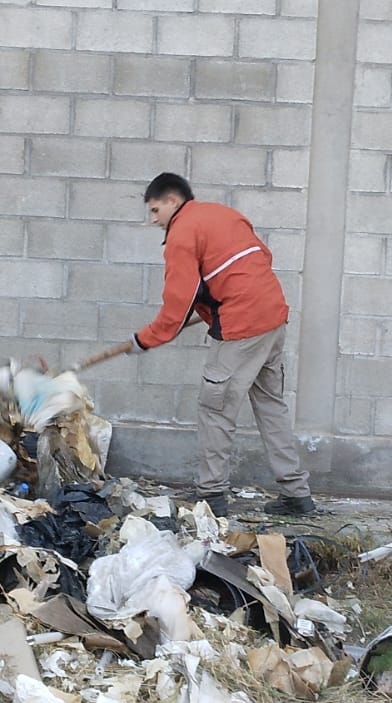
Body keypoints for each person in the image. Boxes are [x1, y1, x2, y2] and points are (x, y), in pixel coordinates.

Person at [123, 173, 314, 516]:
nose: (153, 220)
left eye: (155, 210)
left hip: (243, 325)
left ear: (172, 200)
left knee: (215, 410)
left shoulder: (182, 234)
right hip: (272, 315)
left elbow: (177, 303)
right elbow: (258, 259)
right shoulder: (224, 214)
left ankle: (211, 497)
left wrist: (145, 340)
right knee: (271, 406)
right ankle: (296, 494)